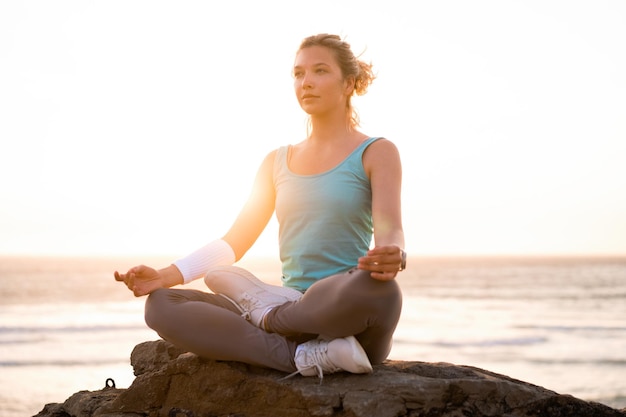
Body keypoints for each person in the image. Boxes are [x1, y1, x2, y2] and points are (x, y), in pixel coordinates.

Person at [114, 33, 405, 381]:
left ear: (350, 83)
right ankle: (300, 356)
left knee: (380, 291)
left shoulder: (376, 152)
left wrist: (394, 253)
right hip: (292, 306)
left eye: (320, 71)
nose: (306, 82)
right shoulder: (276, 162)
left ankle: (269, 317)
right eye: (298, 74)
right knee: (162, 305)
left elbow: (391, 227)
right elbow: (234, 242)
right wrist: (164, 275)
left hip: (344, 310)